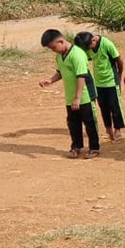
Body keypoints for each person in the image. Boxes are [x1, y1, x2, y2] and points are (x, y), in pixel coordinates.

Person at [39, 28, 99, 159]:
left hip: (84, 95)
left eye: (53, 47)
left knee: (89, 122)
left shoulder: (77, 54)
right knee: (73, 122)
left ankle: (94, 148)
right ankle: (76, 146)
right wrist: (50, 80)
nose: (53, 50)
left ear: (61, 41)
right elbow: (60, 72)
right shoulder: (59, 56)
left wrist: (77, 98)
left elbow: (81, 76)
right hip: (70, 96)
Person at [75, 31, 124, 142]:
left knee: (115, 106)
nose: (88, 50)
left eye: (88, 47)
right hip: (98, 83)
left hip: (111, 81)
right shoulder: (88, 47)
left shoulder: (107, 44)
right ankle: (108, 130)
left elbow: (119, 59)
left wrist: (119, 75)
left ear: (93, 40)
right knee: (103, 107)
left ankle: (118, 130)